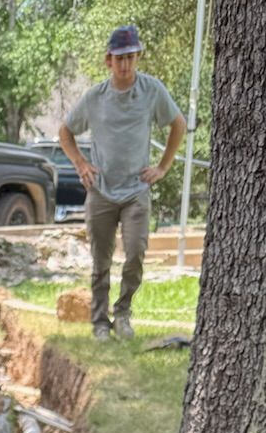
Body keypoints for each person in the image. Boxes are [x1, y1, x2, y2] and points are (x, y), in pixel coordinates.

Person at [59, 25, 186, 341]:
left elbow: (178, 124)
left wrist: (163, 167)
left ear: (138, 57)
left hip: (136, 191)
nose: (126, 65)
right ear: (108, 61)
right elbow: (65, 132)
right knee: (100, 262)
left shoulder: (151, 91)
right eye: (119, 59)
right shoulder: (94, 98)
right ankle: (100, 322)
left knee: (135, 254)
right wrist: (80, 163)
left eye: (131, 57)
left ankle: (124, 313)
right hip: (101, 191)